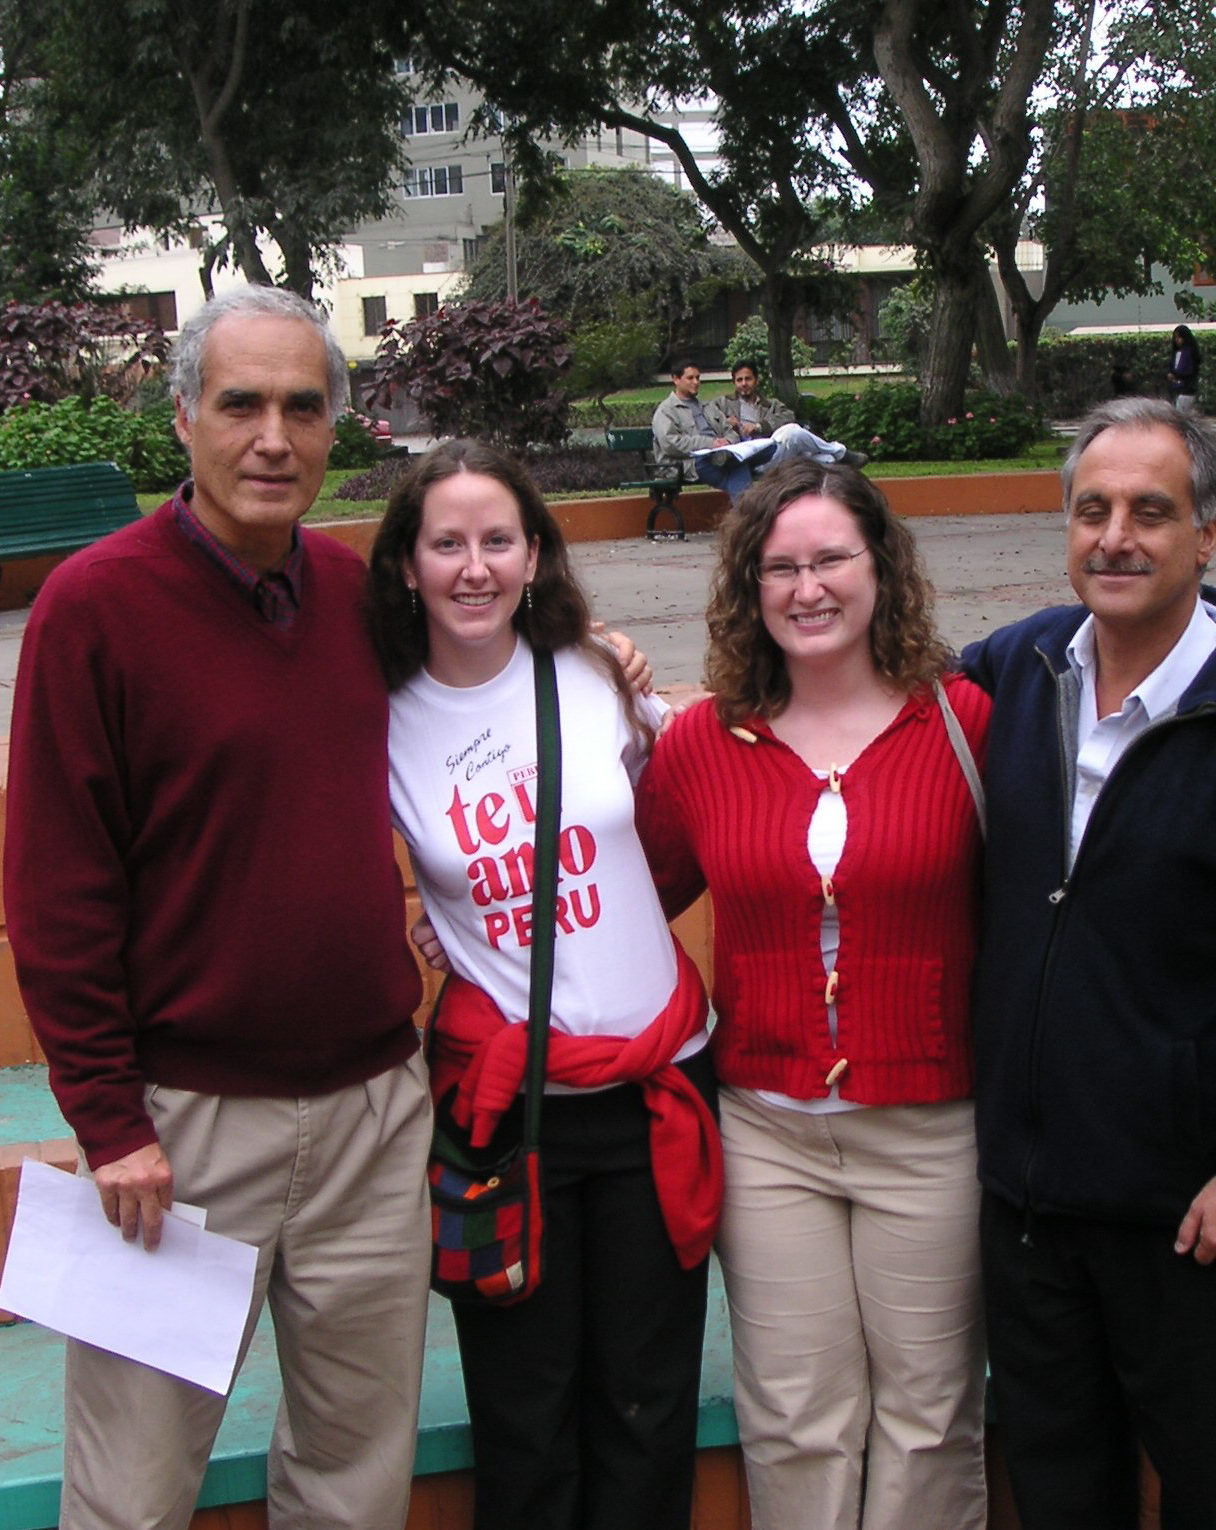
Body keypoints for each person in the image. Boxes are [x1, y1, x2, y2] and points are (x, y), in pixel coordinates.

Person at [3, 287, 434, 1530]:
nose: (272, 438)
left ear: (334, 430)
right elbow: (56, 887)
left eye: (303, 408)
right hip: (177, 1138)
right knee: (133, 1491)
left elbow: (489, 684)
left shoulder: (358, 596)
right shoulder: (96, 609)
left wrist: (606, 661)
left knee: (355, 1481)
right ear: (184, 417)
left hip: (369, 1113)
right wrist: (104, 1116)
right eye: (240, 404)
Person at [962, 397, 1216, 1530]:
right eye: (1091, 509)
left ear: (1206, 536)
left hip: (1196, 1219)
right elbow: (847, 691)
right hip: (1028, 1209)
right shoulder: (1008, 673)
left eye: (1151, 511)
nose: (1115, 536)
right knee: (1058, 1500)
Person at [366, 438, 724, 1530]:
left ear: (534, 555)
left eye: (497, 541)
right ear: (406, 565)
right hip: (506, 1117)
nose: (472, 568)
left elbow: (695, 798)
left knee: (647, 1405)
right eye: (446, 544)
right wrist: (423, 915)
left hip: (658, 1088)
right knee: (523, 1419)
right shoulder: (377, 719)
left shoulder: (593, 672)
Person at [636, 459, 991, 1530]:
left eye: (831, 557)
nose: (807, 587)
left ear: (880, 567)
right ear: (750, 590)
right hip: (766, 1131)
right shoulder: (702, 742)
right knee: (793, 1414)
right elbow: (619, 896)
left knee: (928, 1413)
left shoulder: (966, 721)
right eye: (778, 567)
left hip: (931, 1129)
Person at [652, 358, 775, 499]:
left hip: (722, 455)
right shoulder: (666, 411)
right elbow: (670, 443)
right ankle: (749, 514)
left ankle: (747, 515)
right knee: (739, 468)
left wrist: (728, 443)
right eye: (690, 378)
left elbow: (729, 430)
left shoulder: (708, 407)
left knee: (769, 449)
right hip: (691, 463)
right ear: (676, 379)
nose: (696, 382)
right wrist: (710, 444)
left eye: (698, 378)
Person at [711, 362, 869, 471]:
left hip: (775, 450)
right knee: (793, 432)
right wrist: (728, 423)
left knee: (827, 460)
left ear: (756, 381)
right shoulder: (723, 404)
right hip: (755, 460)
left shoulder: (770, 404)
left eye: (748, 379)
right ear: (734, 383)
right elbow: (710, 419)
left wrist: (759, 427)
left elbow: (788, 415)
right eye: (739, 380)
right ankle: (840, 451)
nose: (744, 383)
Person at [1167, 324, 1201, 413]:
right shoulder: (1177, 352)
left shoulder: (1189, 352)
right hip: (1177, 388)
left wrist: (1176, 375)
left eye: (1179, 337)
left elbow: (1189, 370)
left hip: (1186, 389)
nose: (1177, 340)